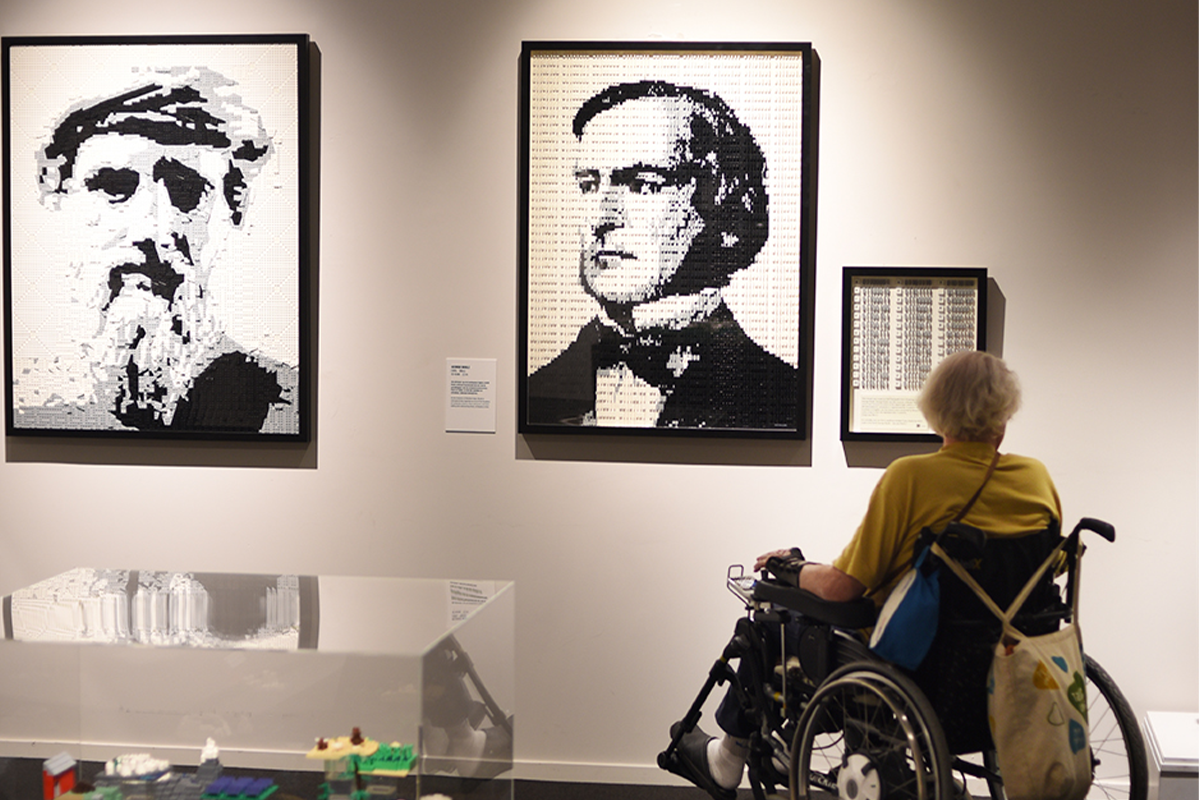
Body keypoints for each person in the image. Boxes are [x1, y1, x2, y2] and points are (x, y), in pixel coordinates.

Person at [666, 350, 1062, 798]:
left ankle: (728, 759)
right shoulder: (1035, 478)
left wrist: (791, 569)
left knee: (770, 624)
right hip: (1013, 665)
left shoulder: (912, 477)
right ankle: (841, 754)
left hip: (922, 668)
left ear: (937, 413)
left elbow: (843, 587)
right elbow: (1052, 567)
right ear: (1004, 415)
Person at [17, 68, 296, 434]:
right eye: (115, 186)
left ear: (233, 212)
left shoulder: (282, 407)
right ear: (56, 200)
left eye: (187, 192)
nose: (157, 229)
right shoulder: (26, 404)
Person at [526, 80, 798, 430]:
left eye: (643, 185)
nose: (602, 217)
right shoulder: (538, 394)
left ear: (720, 204)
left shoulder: (779, 397)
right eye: (588, 185)